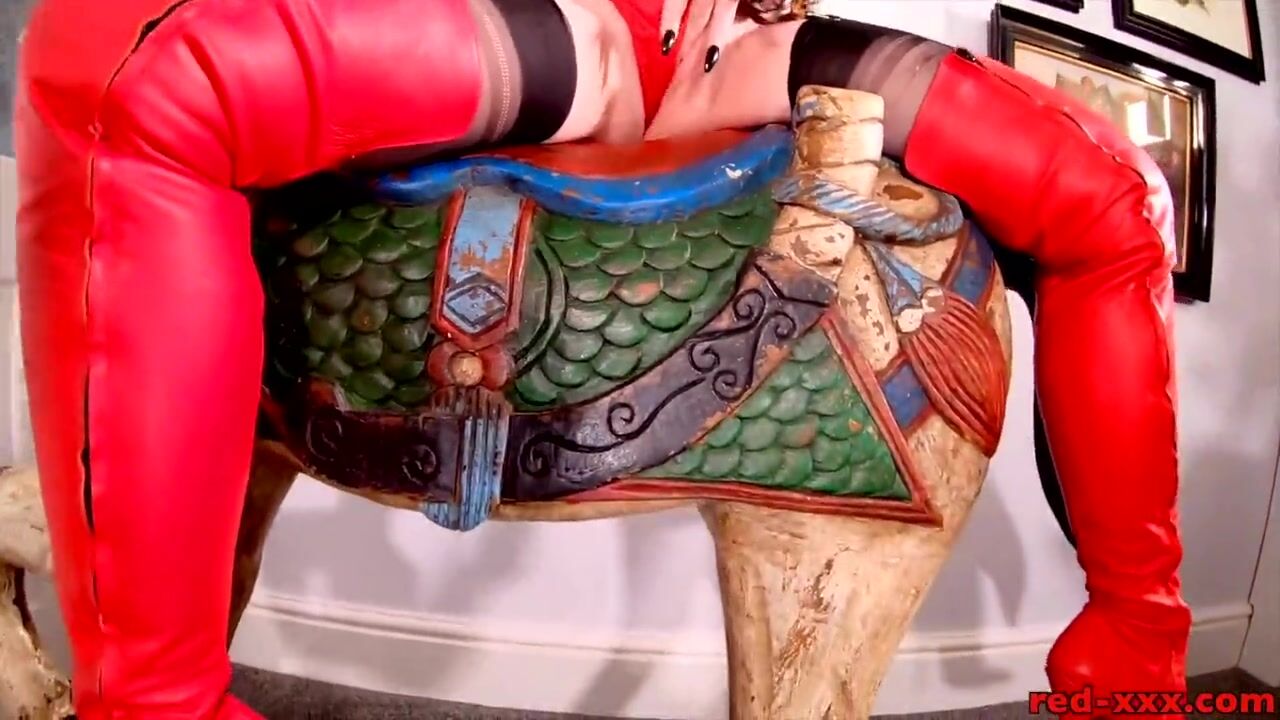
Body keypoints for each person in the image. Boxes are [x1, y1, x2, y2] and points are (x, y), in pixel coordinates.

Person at [13, 0, 1188, 717]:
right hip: (574, 29)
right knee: (133, 62)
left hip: (720, 43)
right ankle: (158, 700)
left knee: (1113, 195)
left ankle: (1136, 633)